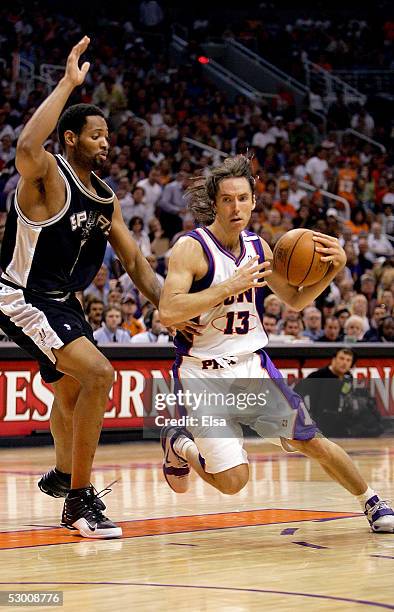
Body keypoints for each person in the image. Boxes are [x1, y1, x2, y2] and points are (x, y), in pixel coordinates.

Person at [158, 155, 394, 533]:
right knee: (234, 482)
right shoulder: (192, 248)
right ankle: (179, 443)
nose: (236, 208)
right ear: (215, 203)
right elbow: (169, 310)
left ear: (254, 201)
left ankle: (372, 501)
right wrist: (229, 286)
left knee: (311, 440)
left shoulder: (260, 248)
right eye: (227, 200)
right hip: (202, 376)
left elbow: (296, 300)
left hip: (251, 367)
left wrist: (333, 269)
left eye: (242, 199)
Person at [0, 37, 166, 539]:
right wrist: (69, 84)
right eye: (95, 134)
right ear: (70, 138)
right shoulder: (49, 176)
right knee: (99, 375)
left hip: (64, 302)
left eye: (108, 135)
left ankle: (61, 471)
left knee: (71, 388)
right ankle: (78, 501)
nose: (105, 142)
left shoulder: (105, 199)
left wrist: (173, 307)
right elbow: (27, 148)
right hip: (20, 295)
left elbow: (136, 261)